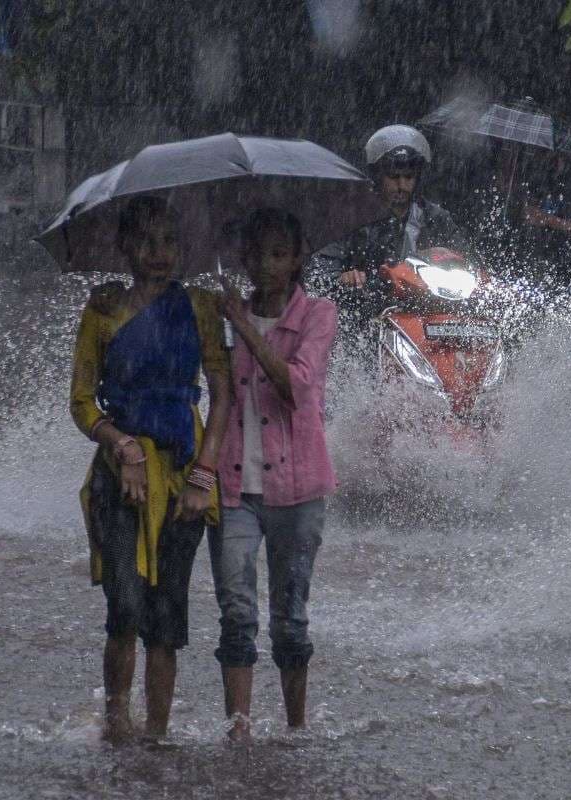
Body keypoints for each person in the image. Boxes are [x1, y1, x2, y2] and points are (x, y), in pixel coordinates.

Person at [69, 195, 230, 742]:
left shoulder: (203, 308)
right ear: (124, 247)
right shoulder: (103, 310)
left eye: (168, 241)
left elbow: (223, 396)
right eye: (146, 241)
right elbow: (83, 403)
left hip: (185, 477)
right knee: (125, 605)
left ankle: (157, 735)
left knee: (167, 617)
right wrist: (123, 448)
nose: (158, 254)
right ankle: (117, 722)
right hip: (120, 480)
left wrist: (205, 477)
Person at [211, 208, 338, 742]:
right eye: (259, 253)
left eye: (280, 253)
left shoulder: (317, 314)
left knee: (290, 615)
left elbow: (297, 389)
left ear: (297, 259)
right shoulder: (220, 315)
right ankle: (239, 728)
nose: (268, 265)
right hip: (234, 487)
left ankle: (294, 727)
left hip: (298, 490)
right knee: (237, 609)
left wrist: (244, 328)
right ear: (245, 256)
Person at [329, 125, 467, 296]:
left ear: (418, 178)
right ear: (378, 176)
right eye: (394, 177)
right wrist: (345, 278)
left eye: (408, 177)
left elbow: (467, 261)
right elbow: (322, 269)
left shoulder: (435, 218)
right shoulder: (353, 217)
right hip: (368, 308)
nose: (402, 185)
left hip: (428, 305)